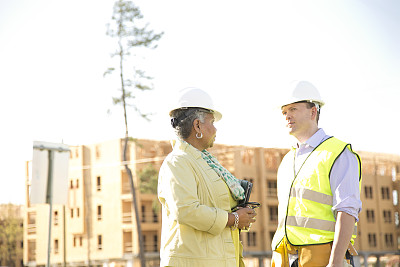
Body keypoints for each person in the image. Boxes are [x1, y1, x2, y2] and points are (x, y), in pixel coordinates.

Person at [158, 87, 257, 267]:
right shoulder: (178, 162)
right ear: (197, 126)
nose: (216, 129)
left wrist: (239, 213)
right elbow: (186, 210)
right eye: (212, 122)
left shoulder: (206, 164)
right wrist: (233, 219)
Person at [271, 81, 362, 267]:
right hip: (285, 258)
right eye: (284, 112)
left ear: (313, 112)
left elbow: (347, 211)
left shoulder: (338, 153)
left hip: (323, 256)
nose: (287, 116)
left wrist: (336, 262)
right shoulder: (287, 160)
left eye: (293, 109)